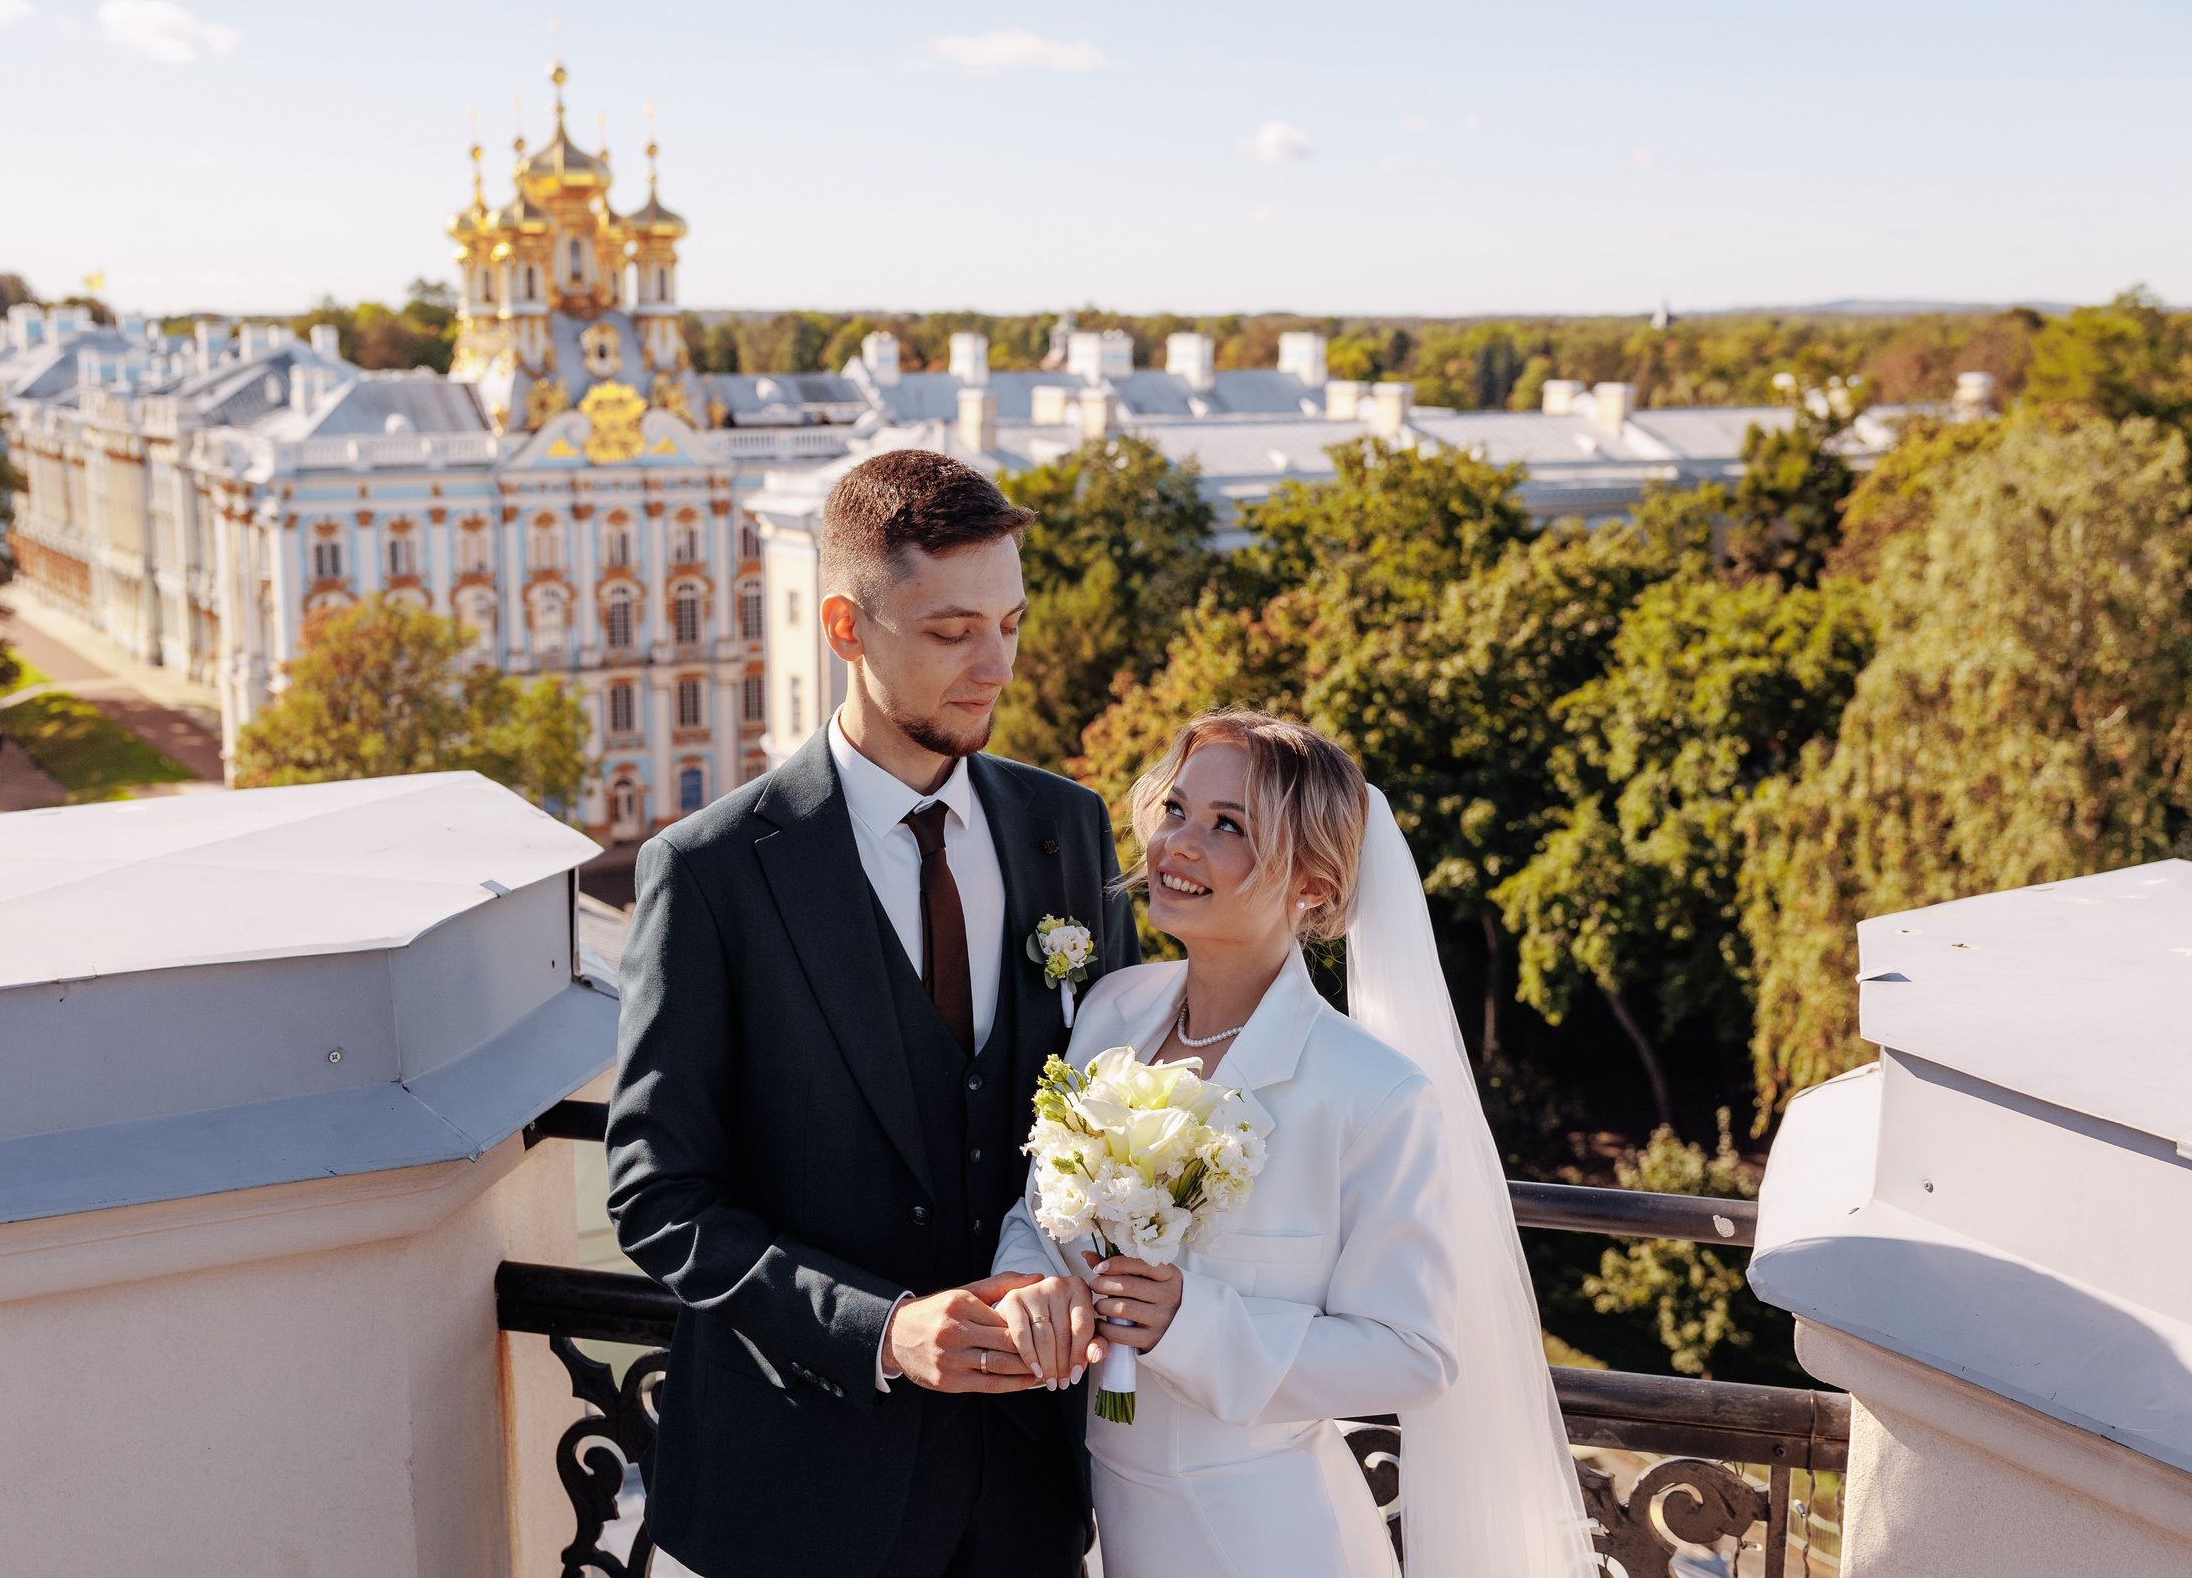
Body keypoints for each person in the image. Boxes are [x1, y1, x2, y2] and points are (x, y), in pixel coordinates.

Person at [608, 449, 1138, 1578]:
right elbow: (660, 1197)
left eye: (1011, 622)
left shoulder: (1067, 829)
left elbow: (1110, 1114)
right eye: (951, 632)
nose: (995, 665)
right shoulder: (710, 872)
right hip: (802, 1496)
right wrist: (883, 1332)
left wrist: (1065, 1261)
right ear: (845, 628)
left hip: (1026, 1493)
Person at [992, 710, 1599, 1578]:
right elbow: (1040, 1204)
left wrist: (1189, 1323)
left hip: (1267, 1541)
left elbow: (1413, 1354)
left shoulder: (1374, 1094)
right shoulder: (1111, 1010)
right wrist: (1031, 1276)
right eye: (1176, 809)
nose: (1179, 844)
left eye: (1228, 825)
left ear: (1312, 886)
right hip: (1104, 1525)